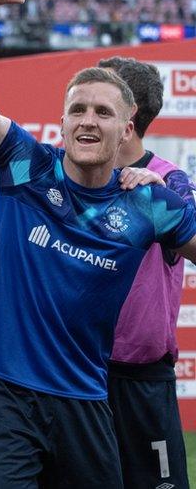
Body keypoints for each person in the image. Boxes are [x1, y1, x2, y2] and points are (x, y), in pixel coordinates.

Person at [0, 0, 196, 487]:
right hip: (4, 392)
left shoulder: (149, 205)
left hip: (85, 397)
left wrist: (175, 199)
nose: (87, 121)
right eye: (77, 110)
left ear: (127, 132)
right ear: (64, 121)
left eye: (102, 112)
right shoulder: (28, 166)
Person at [100, 56, 194, 488]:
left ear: (128, 114)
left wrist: (163, 207)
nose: (89, 112)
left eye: (102, 101)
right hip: (79, 371)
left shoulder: (169, 182)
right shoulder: (71, 172)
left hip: (143, 379)